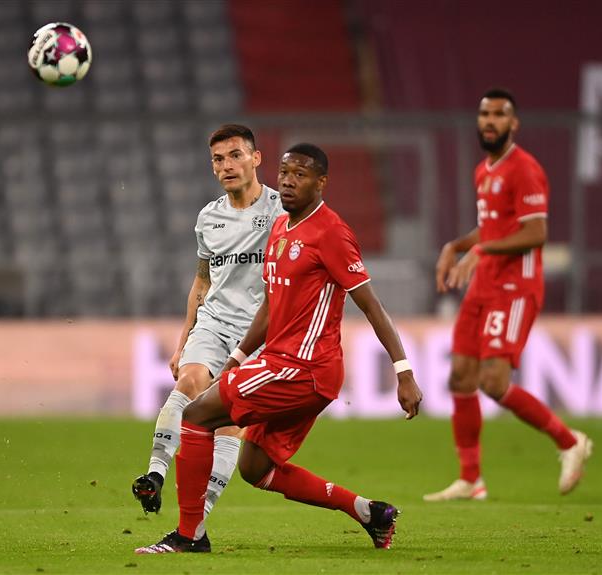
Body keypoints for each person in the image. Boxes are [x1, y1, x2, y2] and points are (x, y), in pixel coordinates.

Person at [136, 144, 423, 554]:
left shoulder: (331, 233)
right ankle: (369, 512)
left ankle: (189, 535)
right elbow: (271, 307)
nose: (288, 182)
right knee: (256, 468)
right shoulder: (281, 228)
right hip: (284, 364)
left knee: (197, 414)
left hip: (304, 368)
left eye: (300, 175)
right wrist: (236, 359)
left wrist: (403, 371)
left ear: (321, 183)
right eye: (285, 173)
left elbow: (371, 305)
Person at [423, 88, 592, 502]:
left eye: (499, 115)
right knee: (461, 376)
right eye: (485, 114)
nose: (490, 121)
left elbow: (536, 233)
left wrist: (480, 252)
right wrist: (456, 246)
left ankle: (570, 441)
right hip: (484, 285)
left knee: (493, 382)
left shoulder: (525, 169)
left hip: (515, 288)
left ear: (513, 124)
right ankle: (471, 479)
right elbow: (493, 228)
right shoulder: (484, 171)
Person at [132, 125, 283, 518]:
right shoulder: (208, 218)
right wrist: (183, 342)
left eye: (235, 155)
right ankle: (154, 475)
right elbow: (202, 281)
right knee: (189, 381)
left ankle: (197, 515)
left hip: (260, 332)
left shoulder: (281, 212)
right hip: (214, 322)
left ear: (256, 158)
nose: (226, 165)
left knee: (231, 418)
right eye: (218, 159)